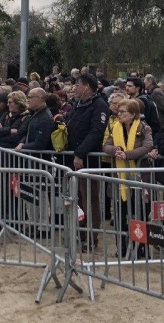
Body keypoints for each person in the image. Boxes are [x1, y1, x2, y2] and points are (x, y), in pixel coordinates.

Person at [102, 98, 153, 256]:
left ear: (133, 114)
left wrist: (127, 155)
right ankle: (122, 248)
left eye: (122, 111)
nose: (119, 113)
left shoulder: (144, 128)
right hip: (121, 178)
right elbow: (105, 145)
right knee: (120, 215)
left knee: (141, 213)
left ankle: (141, 248)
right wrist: (115, 150)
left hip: (139, 177)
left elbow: (147, 146)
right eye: (118, 111)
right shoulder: (115, 127)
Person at [65, 74, 109, 251]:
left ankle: (91, 237)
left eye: (78, 84)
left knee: (90, 199)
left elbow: (96, 132)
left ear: (87, 87)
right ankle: (80, 233)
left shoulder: (99, 106)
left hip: (88, 160)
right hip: (73, 159)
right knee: (78, 199)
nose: (75, 87)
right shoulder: (77, 104)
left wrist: (80, 153)